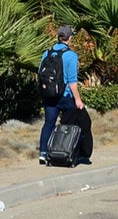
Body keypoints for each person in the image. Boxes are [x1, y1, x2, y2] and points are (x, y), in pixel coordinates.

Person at [38, 24, 91, 165]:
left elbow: (40, 74)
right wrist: (78, 100)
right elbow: (72, 81)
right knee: (70, 124)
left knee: (48, 123)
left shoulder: (46, 53)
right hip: (65, 96)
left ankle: (43, 153)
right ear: (70, 38)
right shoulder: (71, 55)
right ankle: (67, 151)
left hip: (49, 95)